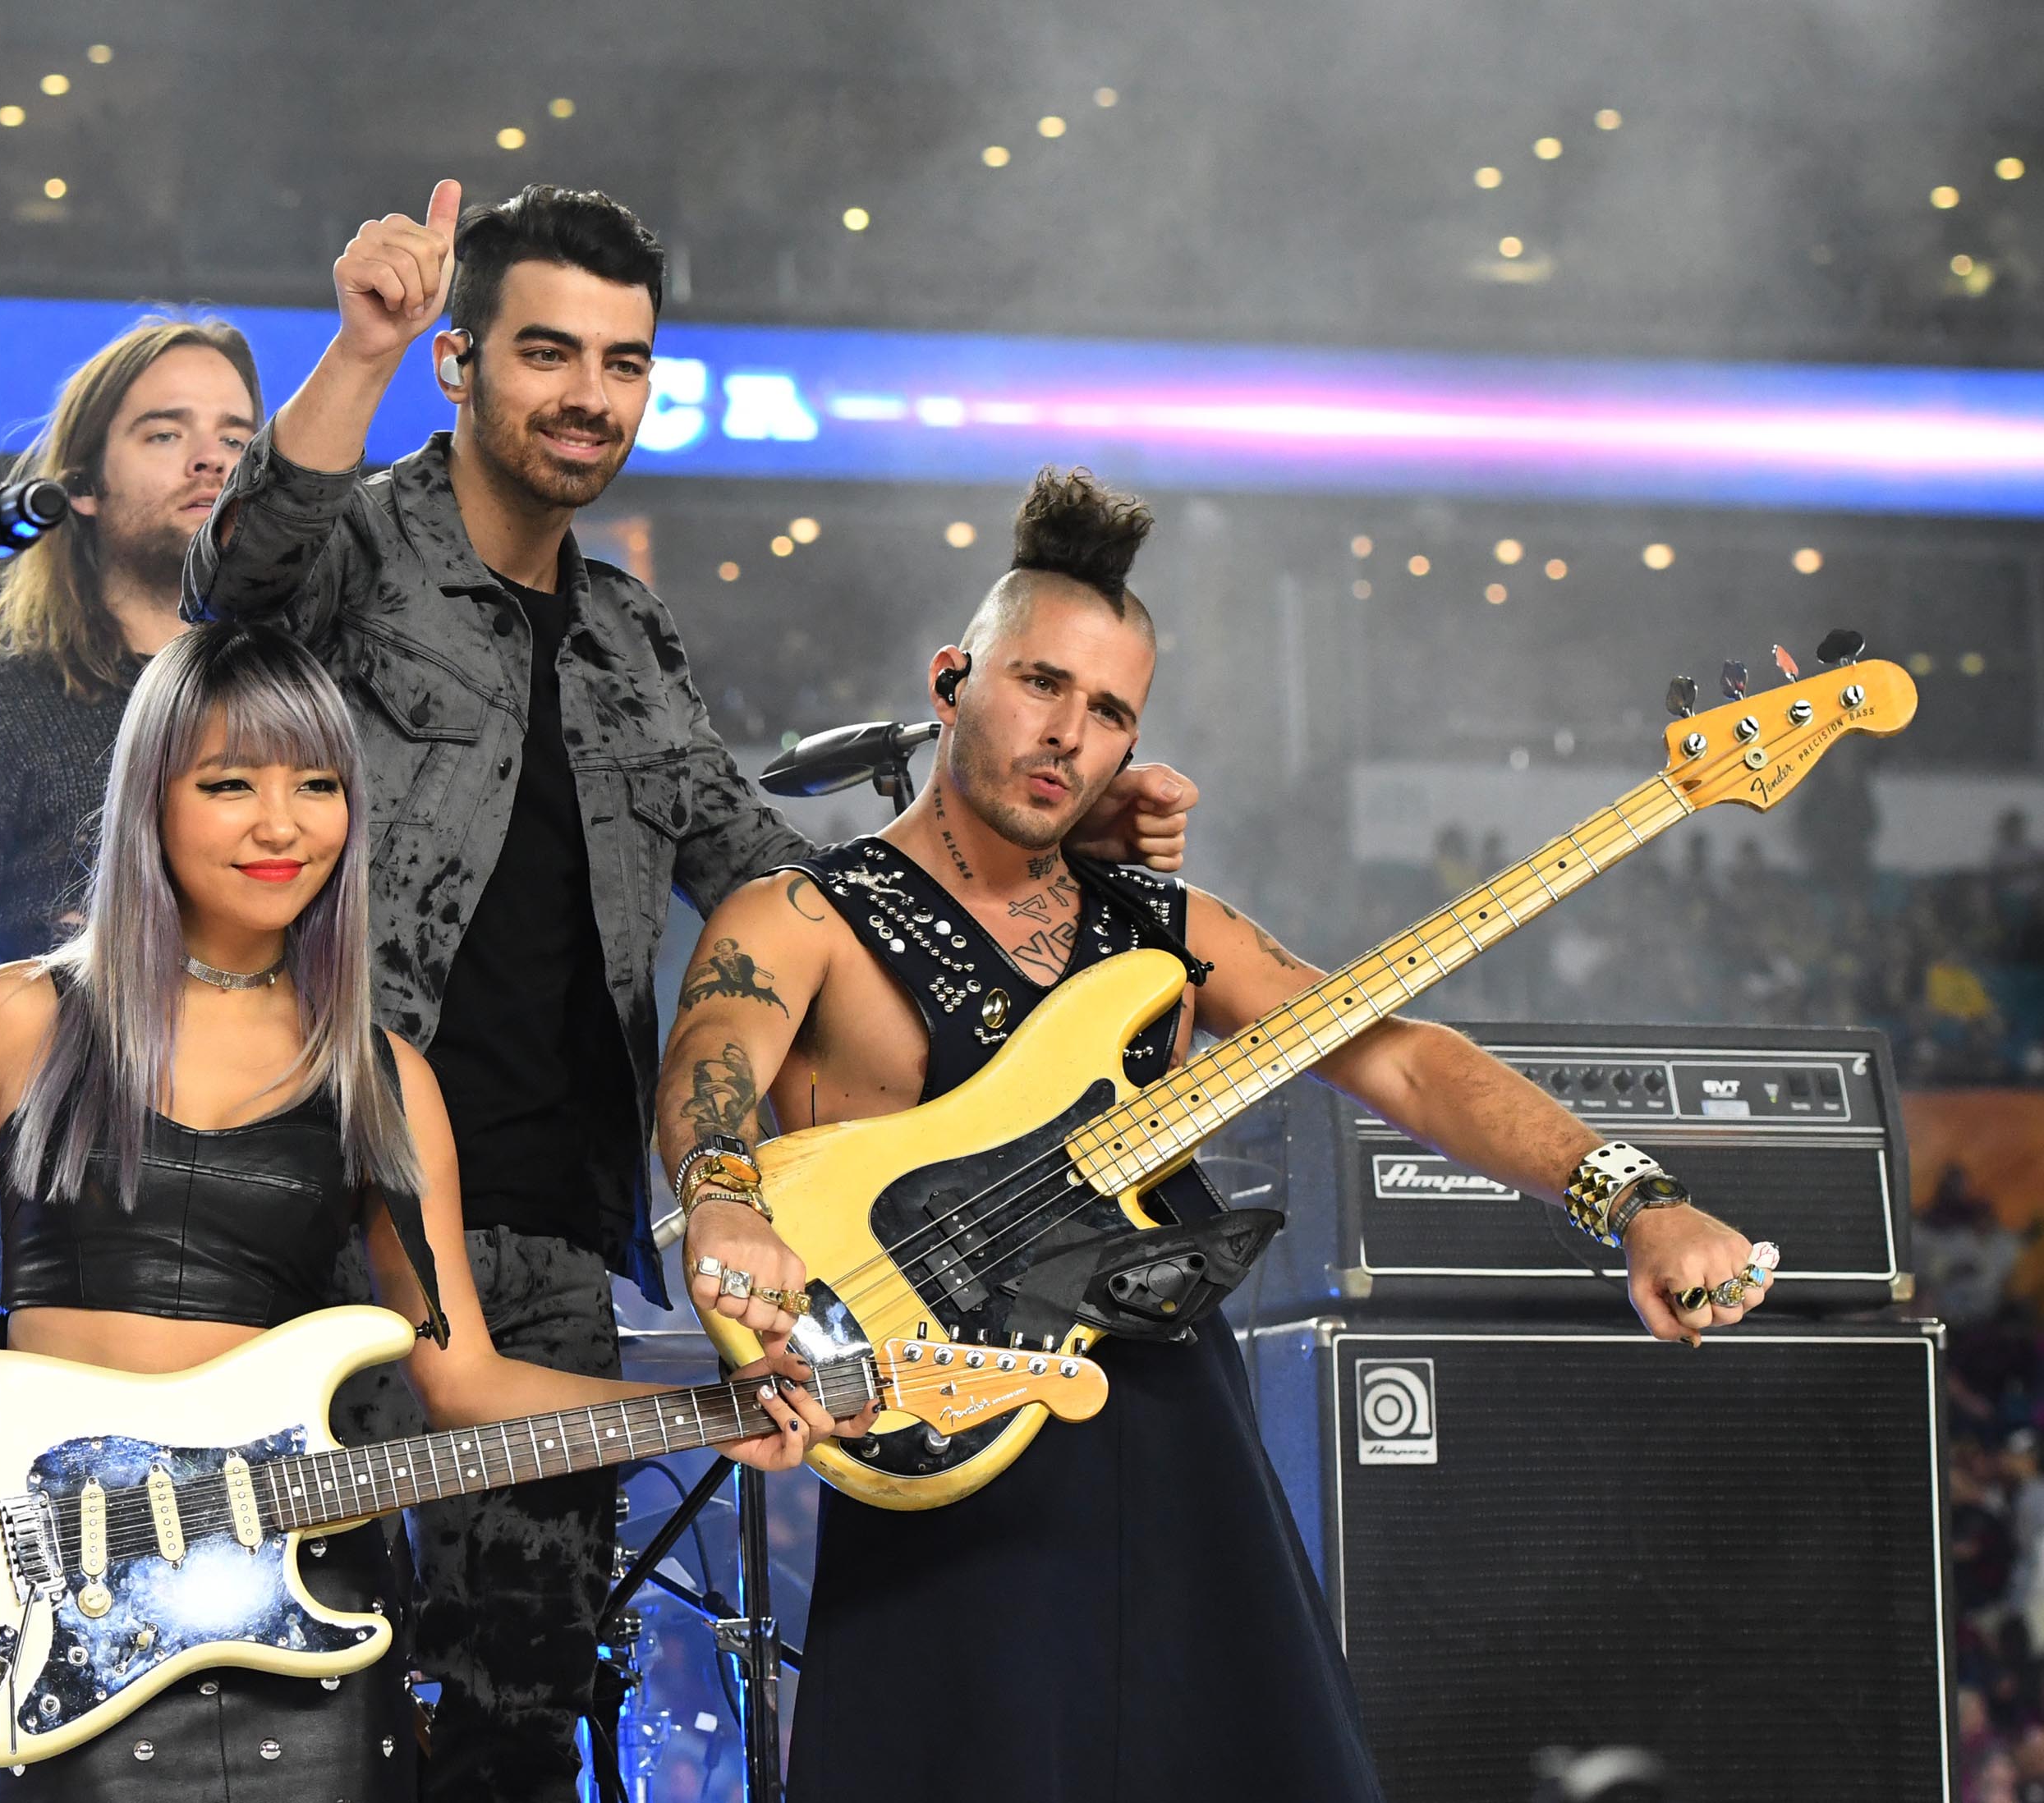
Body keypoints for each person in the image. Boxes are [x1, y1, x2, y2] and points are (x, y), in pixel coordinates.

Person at [183, 177, 1197, 1801]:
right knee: (276, 1712)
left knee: (516, 1718)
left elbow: (751, 861)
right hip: (323, 1200)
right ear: (461, 362)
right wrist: (353, 353)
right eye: (549, 353)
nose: (592, 395)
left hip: (552, 1250)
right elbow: (226, 593)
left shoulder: (630, 637)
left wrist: (1027, 815)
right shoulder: (364, 546)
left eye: (627, 363)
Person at [656, 467, 1778, 1802]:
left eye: (1110, 710)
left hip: (1172, 1436)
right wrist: (723, 1200)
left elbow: (1404, 1058)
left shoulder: (1164, 928)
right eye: (1040, 683)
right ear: (954, 680)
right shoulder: (802, 912)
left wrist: (1632, 1193)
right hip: (942, 1460)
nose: (1068, 732)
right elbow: (712, 1058)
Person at [0, 622, 852, 1801]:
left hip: (297, 1622)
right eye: (231, 784)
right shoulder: (15, 1018)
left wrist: (702, 1416)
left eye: (316, 785)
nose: (282, 825)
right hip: (73, 1614)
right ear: (150, 799)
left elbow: (462, 1379)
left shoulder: (381, 1080)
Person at [0, 315, 262, 1109]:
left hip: (287, 1219)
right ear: (79, 487)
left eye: (239, 441)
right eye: (164, 434)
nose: (211, 458)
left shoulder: (301, 704)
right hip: (56, 1213)